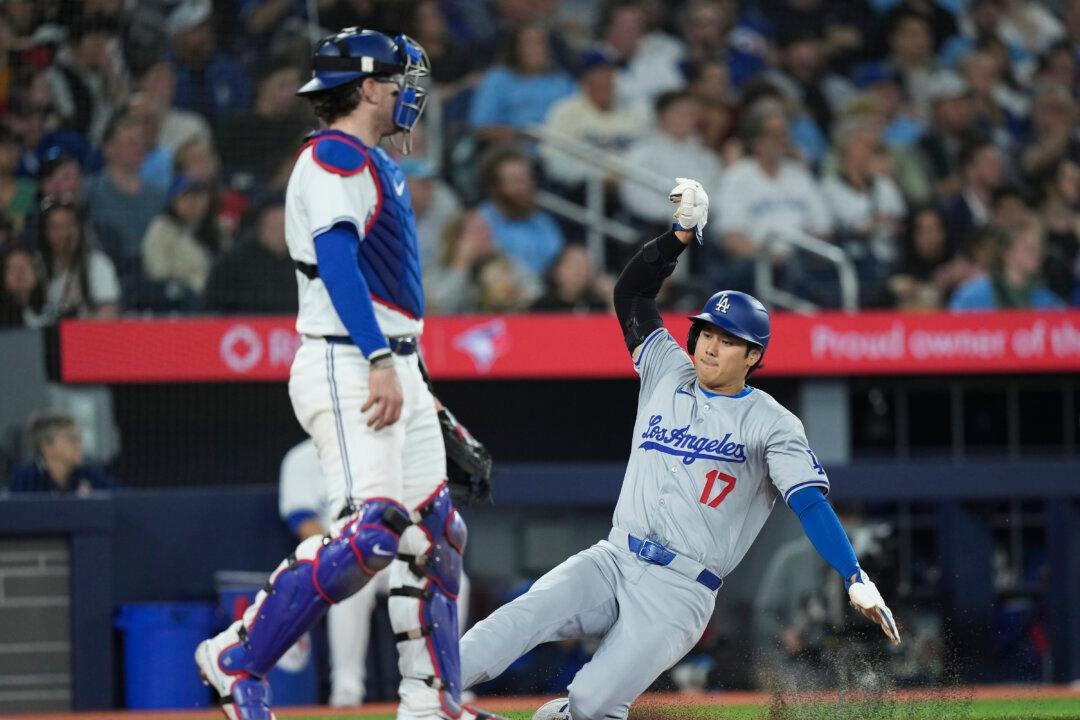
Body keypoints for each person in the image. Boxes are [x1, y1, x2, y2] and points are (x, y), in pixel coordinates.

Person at [458, 178, 899, 720]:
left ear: (753, 356)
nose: (711, 344)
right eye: (708, 332)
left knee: (594, 704)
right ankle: (424, 702)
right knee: (505, 628)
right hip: (614, 556)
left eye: (728, 339)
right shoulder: (667, 367)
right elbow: (632, 295)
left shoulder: (773, 423)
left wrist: (854, 575)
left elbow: (809, 502)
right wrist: (680, 236)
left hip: (679, 590)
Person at [194, 28, 503, 720]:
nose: (405, 93)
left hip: (391, 361)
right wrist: (377, 362)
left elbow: (387, 295)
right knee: (374, 532)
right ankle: (236, 656)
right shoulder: (334, 155)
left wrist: (424, 393)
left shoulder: (368, 156)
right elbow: (338, 269)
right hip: (345, 356)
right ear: (366, 87)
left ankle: (433, 704)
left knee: (438, 533)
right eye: (395, 81)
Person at [279, 438, 473, 707]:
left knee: (454, 579)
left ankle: (443, 680)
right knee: (350, 583)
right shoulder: (301, 458)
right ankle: (347, 688)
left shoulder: (382, 449)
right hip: (337, 552)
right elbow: (301, 521)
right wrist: (344, 551)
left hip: (392, 549)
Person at [201, 193, 296, 314]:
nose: (281, 234)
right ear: (262, 226)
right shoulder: (233, 263)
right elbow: (213, 308)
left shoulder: (304, 262)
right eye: (275, 227)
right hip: (241, 328)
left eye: (286, 227)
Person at [949, 217, 1066, 310]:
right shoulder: (972, 297)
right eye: (1029, 247)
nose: (1038, 252)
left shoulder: (1048, 301)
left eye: (1040, 246)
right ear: (1007, 252)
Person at [7, 412, 119, 495]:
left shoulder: (88, 474)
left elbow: (125, 499)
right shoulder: (25, 478)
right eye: (71, 439)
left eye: (79, 439)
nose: (79, 445)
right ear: (46, 446)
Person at [142, 174, 217, 295]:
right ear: (174, 200)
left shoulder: (214, 229)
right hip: (175, 298)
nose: (193, 202)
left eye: (199, 196)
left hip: (214, 296)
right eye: (186, 196)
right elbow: (158, 272)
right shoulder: (161, 228)